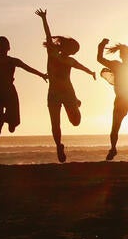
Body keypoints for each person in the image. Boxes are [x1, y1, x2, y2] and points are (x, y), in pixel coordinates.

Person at [35, 9, 96, 163]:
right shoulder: (52, 53)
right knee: (55, 123)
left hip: (68, 93)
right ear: (66, 47)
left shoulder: (70, 61)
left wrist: (91, 72)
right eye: (73, 50)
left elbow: (81, 66)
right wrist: (44, 19)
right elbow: (48, 36)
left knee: (76, 122)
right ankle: (58, 146)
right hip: (54, 95)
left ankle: (76, 103)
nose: (73, 53)